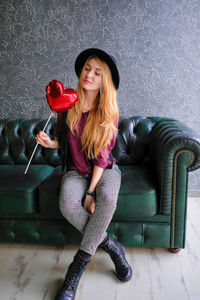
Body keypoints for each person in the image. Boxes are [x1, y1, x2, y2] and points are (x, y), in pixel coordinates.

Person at [36, 48, 132, 300]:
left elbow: (102, 157)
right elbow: (67, 143)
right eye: (87, 68)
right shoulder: (68, 104)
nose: (89, 74)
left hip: (104, 170)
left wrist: (91, 192)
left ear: (104, 81)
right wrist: (50, 143)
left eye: (97, 72)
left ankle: (73, 275)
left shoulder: (108, 110)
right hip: (75, 170)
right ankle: (113, 247)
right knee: (68, 204)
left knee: (107, 199)